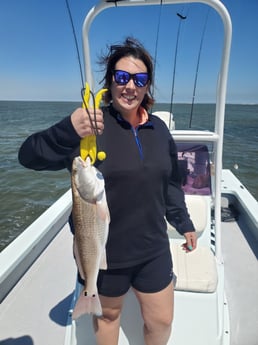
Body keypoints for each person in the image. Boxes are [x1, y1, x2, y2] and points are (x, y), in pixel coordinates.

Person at [18, 37, 197, 345]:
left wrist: (183, 222)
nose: (130, 86)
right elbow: (29, 156)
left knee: (161, 320)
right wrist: (67, 130)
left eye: (139, 79)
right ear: (110, 81)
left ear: (147, 86)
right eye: (122, 77)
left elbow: (170, 182)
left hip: (152, 248)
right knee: (108, 317)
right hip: (103, 253)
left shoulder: (160, 130)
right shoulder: (91, 128)